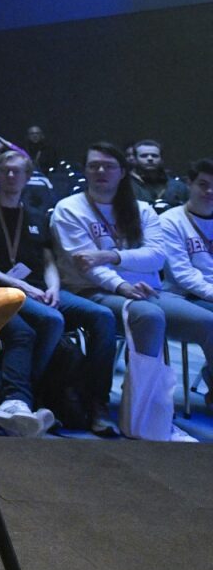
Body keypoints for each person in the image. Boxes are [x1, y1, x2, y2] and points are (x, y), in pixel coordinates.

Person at [51, 142, 213, 442]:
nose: (101, 171)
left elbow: (156, 256)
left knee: (208, 322)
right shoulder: (69, 208)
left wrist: (110, 256)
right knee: (149, 316)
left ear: (123, 172)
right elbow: (85, 264)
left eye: (109, 166)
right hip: (92, 291)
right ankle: (145, 417)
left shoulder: (142, 210)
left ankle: (180, 402)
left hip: (146, 290)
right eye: (94, 166)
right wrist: (122, 284)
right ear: (85, 170)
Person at [0, 151, 117, 436]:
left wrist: (54, 288)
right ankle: (30, 396)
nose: (11, 176)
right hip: (5, 289)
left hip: (42, 289)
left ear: (27, 177)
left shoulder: (35, 216)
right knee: (52, 320)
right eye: (6, 171)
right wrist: (23, 286)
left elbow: (49, 262)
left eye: (17, 171)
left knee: (102, 315)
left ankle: (97, 403)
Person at [157, 158, 213, 319]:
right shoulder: (170, 221)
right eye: (203, 184)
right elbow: (183, 275)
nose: (210, 191)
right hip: (185, 295)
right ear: (189, 183)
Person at [128, 139, 188, 212]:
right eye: (144, 156)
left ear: (161, 159)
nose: (150, 158)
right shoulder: (125, 185)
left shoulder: (178, 187)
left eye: (154, 156)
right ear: (134, 159)